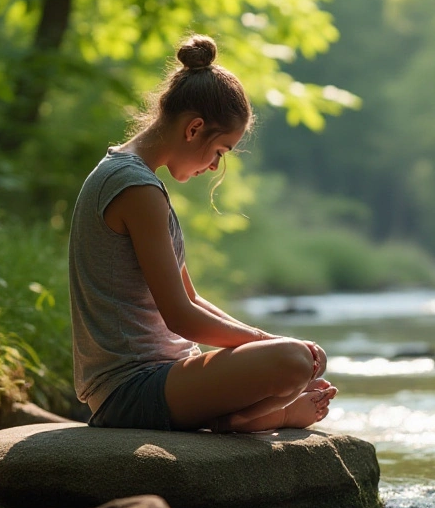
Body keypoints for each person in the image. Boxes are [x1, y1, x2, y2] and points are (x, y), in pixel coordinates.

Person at [69, 34, 336, 432]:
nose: (214, 166)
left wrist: (263, 343)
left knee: (298, 361)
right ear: (194, 129)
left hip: (167, 376)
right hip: (130, 390)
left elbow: (191, 298)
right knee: (294, 361)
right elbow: (181, 317)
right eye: (221, 151)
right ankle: (252, 418)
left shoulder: (135, 180)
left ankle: (246, 416)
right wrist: (264, 341)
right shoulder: (134, 187)